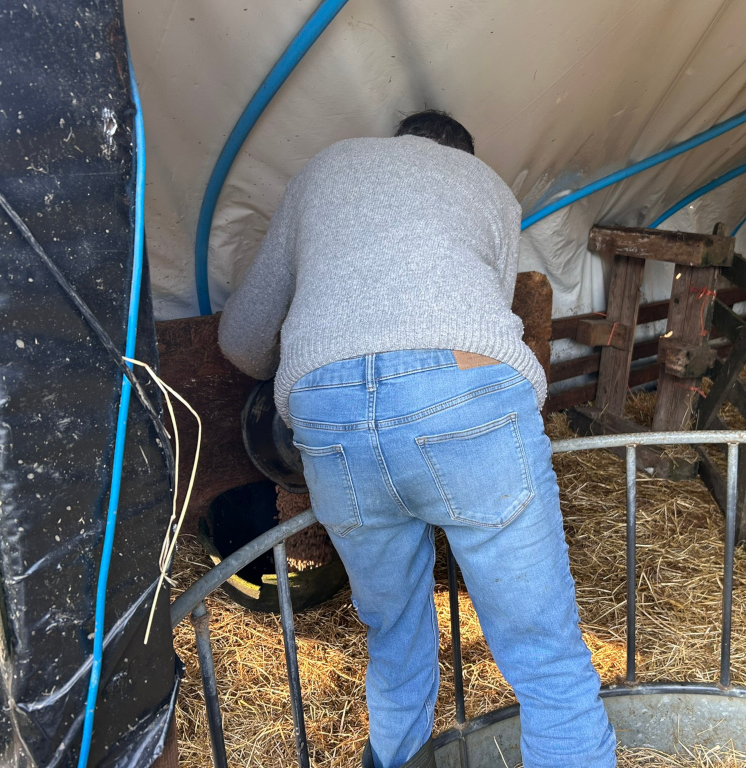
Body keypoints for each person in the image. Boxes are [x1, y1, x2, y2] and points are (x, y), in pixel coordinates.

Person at [218, 110, 616, 768]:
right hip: (467, 398)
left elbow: (242, 341)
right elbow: (481, 310)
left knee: (395, 638)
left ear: (400, 140)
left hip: (332, 417)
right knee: (546, 661)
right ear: (462, 156)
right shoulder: (492, 190)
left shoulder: (325, 168)